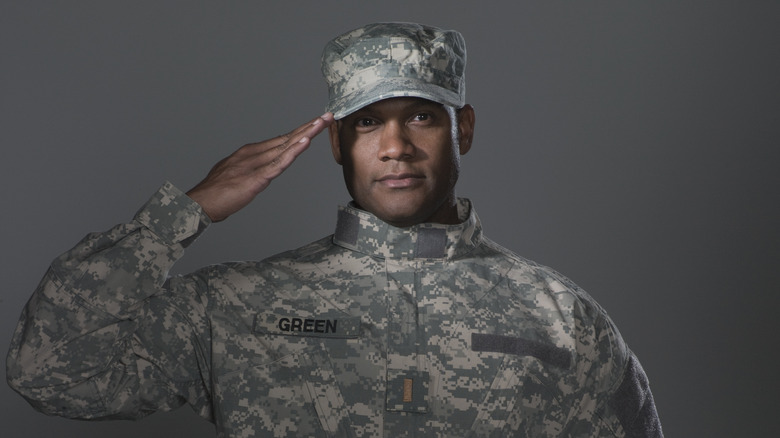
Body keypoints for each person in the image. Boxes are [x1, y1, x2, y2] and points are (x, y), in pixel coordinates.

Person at [6, 22, 663, 437]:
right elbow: (49, 371)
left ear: (462, 128)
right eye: (368, 122)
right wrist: (184, 212)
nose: (396, 145)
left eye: (422, 118)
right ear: (336, 143)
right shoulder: (240, 306)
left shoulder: (560, 320)